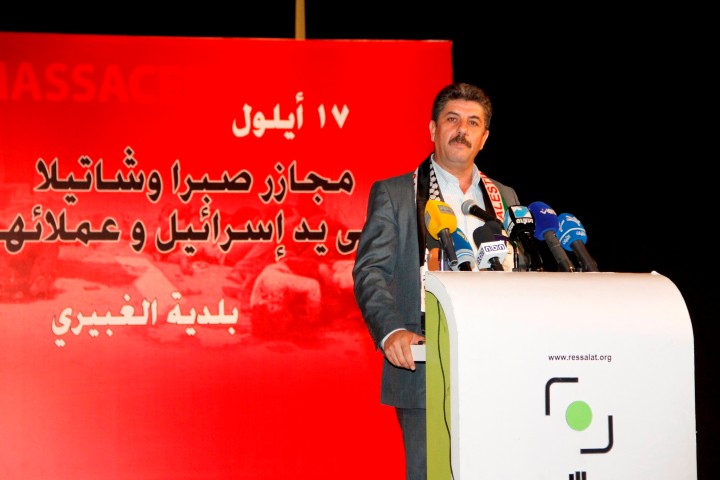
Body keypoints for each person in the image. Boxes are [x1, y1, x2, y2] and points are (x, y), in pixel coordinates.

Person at [352, 82, 522, 480]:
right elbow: (370, 272)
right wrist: (391, 330)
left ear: (484, 138)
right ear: (432, 129)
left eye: (473, 122)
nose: (462, 130)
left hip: (498, 365)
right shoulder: (396, 194)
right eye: (452, 119)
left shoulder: (505, 197)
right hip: (425, 365)